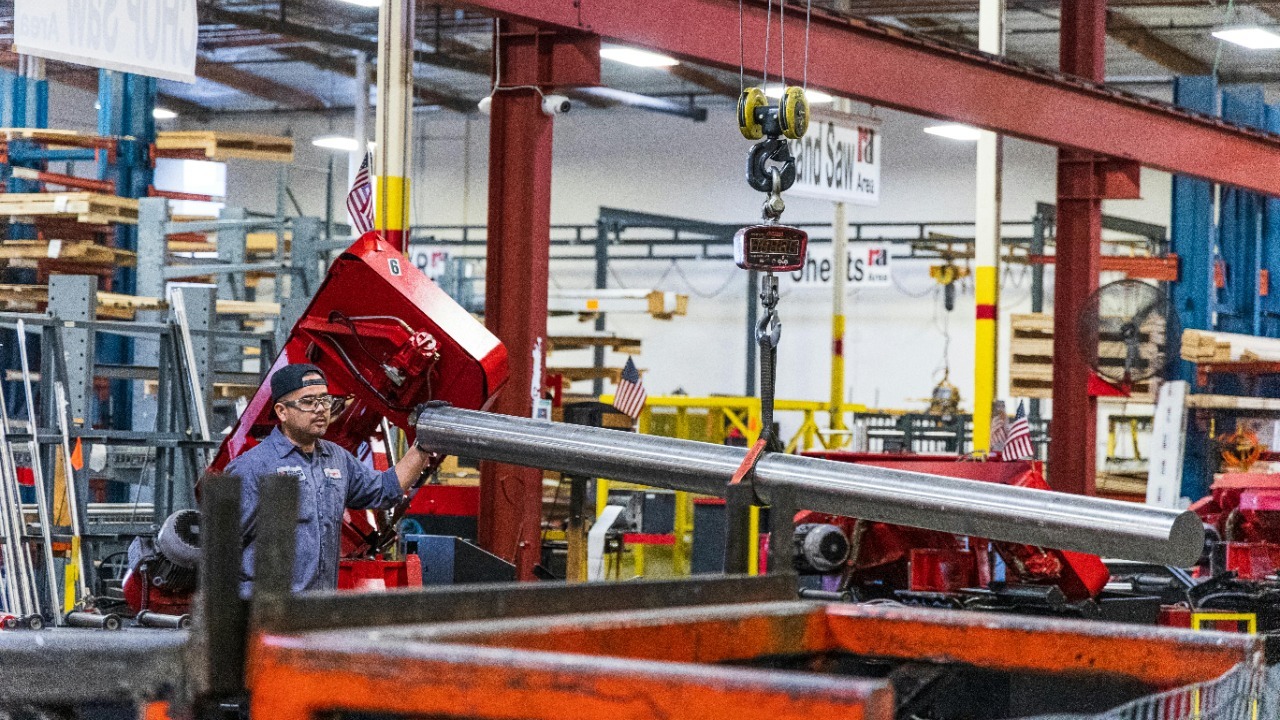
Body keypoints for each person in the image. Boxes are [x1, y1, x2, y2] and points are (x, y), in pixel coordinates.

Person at [227, 363, 433, 593]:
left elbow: (385, 489)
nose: (320, 409)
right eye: (308, 402)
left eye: (325, 400)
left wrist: (423, 443)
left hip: (319, 612)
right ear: (281, 411)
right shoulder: (253, 468)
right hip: (267, 615)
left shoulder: (336, 459)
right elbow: (222, 549)